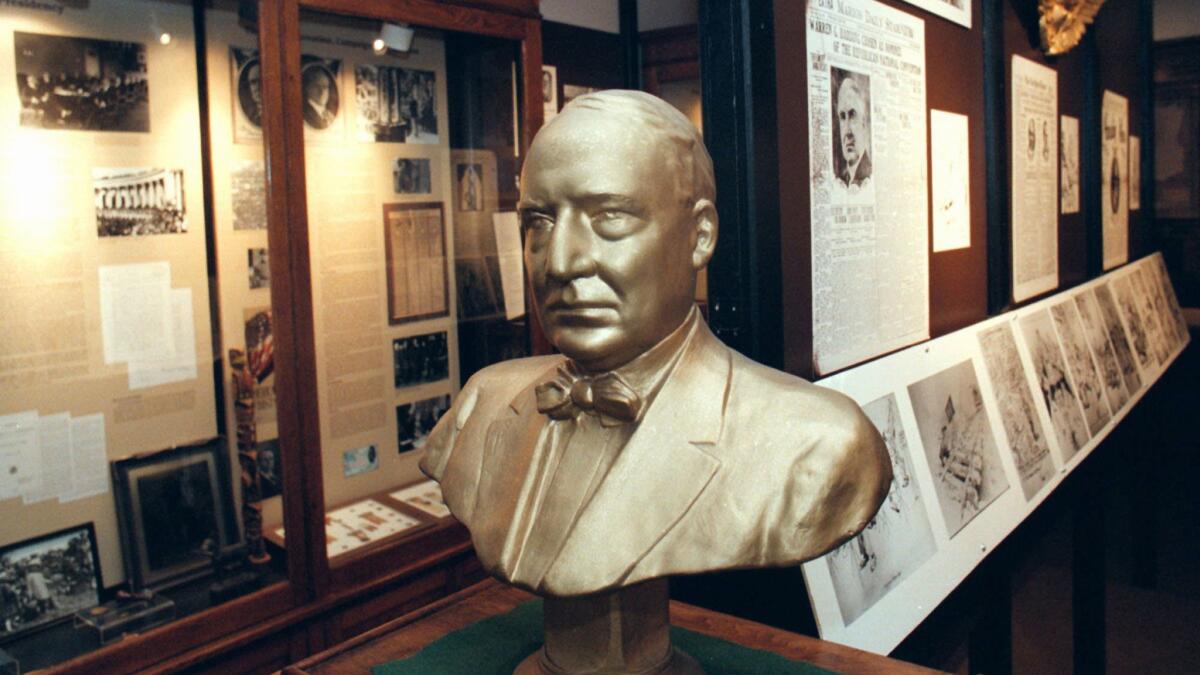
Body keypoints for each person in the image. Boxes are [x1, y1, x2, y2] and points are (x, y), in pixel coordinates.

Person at [420, 90, 890, 600]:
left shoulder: (818, 445)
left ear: (699, 236)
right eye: (540, 222)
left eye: (610, 218)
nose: (561, 262)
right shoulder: (480, 405)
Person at [836, 75, 873, 187]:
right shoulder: (840, 180)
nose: (847, 132)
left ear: (863, 123)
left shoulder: (870, 175)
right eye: (843, 117)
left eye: (852, 115)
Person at [301, 64, 337, 130]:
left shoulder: (330, 115)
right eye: (317, 86)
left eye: (325, 87)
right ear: (308, 88)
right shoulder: (304, 112)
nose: (322, 91)